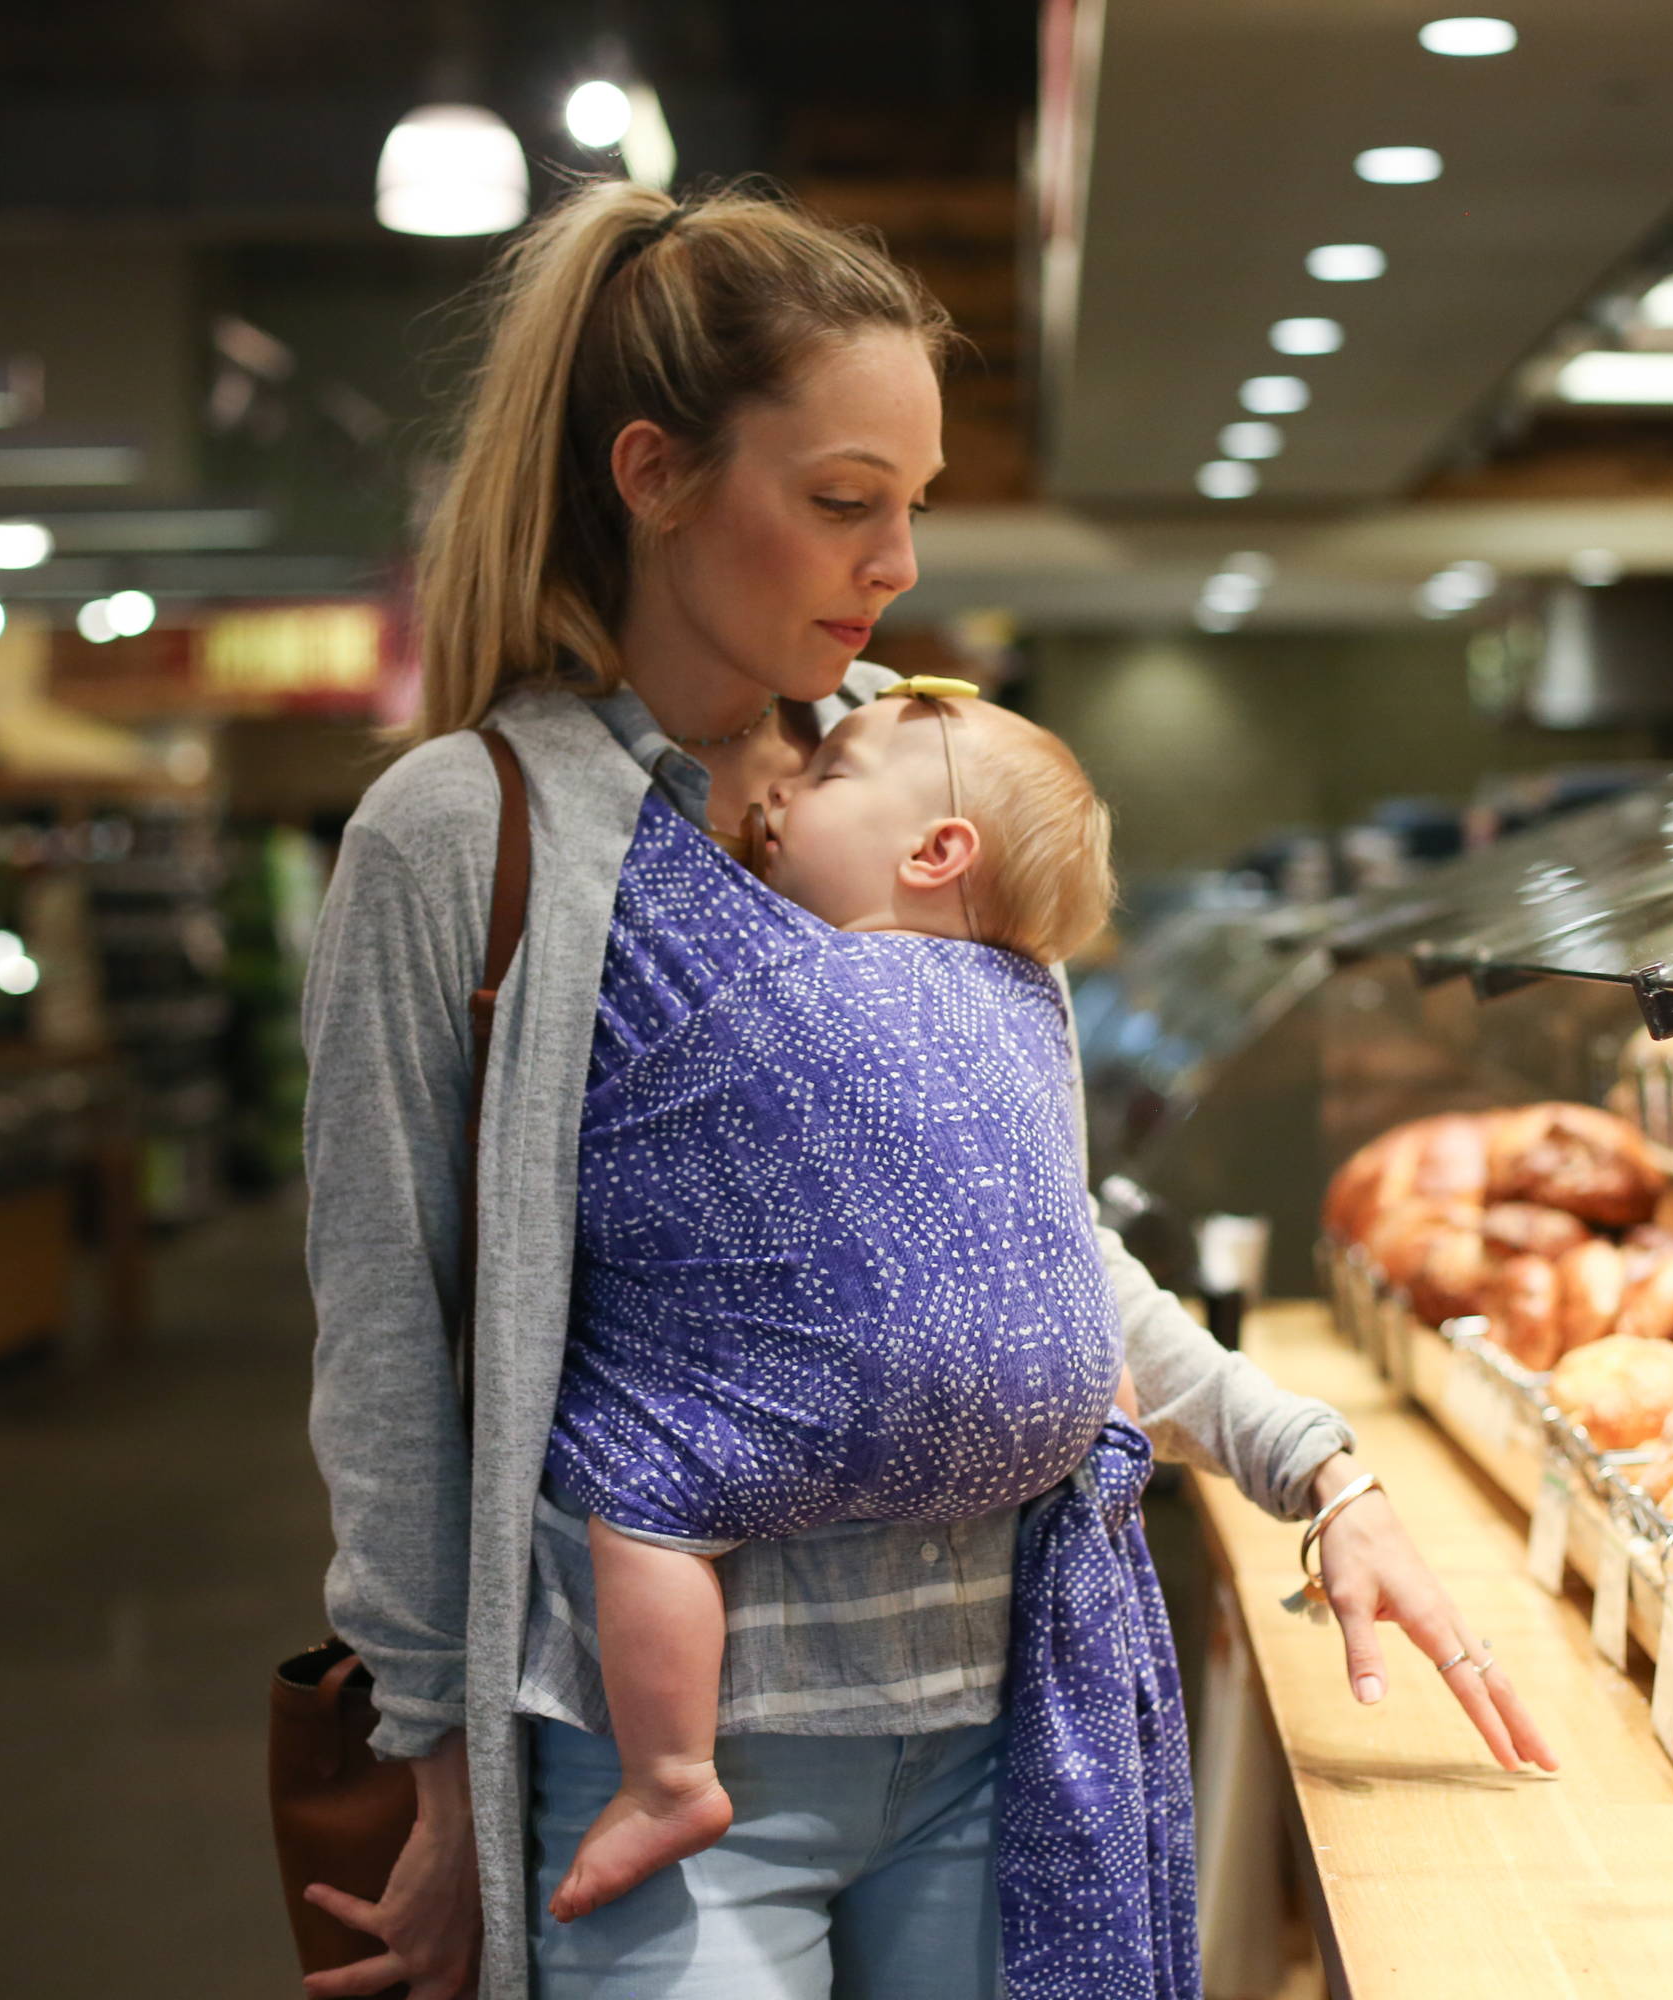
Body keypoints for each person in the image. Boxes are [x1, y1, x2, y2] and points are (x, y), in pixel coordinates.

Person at [301, 177, 1554, 2000]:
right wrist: (433, 1758)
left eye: (914, 505)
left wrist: (1318, 1468)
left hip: (1004, 1730)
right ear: (653, 476)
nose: (895, 563)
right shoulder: (469, 838)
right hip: (673, 1767)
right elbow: (386, 1351)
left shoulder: (933, 784)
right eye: (838, 504)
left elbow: (1031, 1244)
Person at [542, 685, 1146, 1942]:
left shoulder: (761, 968)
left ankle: (668, 1779)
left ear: (934, 851)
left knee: (648, 1504)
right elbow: (1055, 1227)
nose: (777, 794)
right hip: (1064, 1422)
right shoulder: (1024, 993)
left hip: (823, 1437)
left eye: (826, 779)